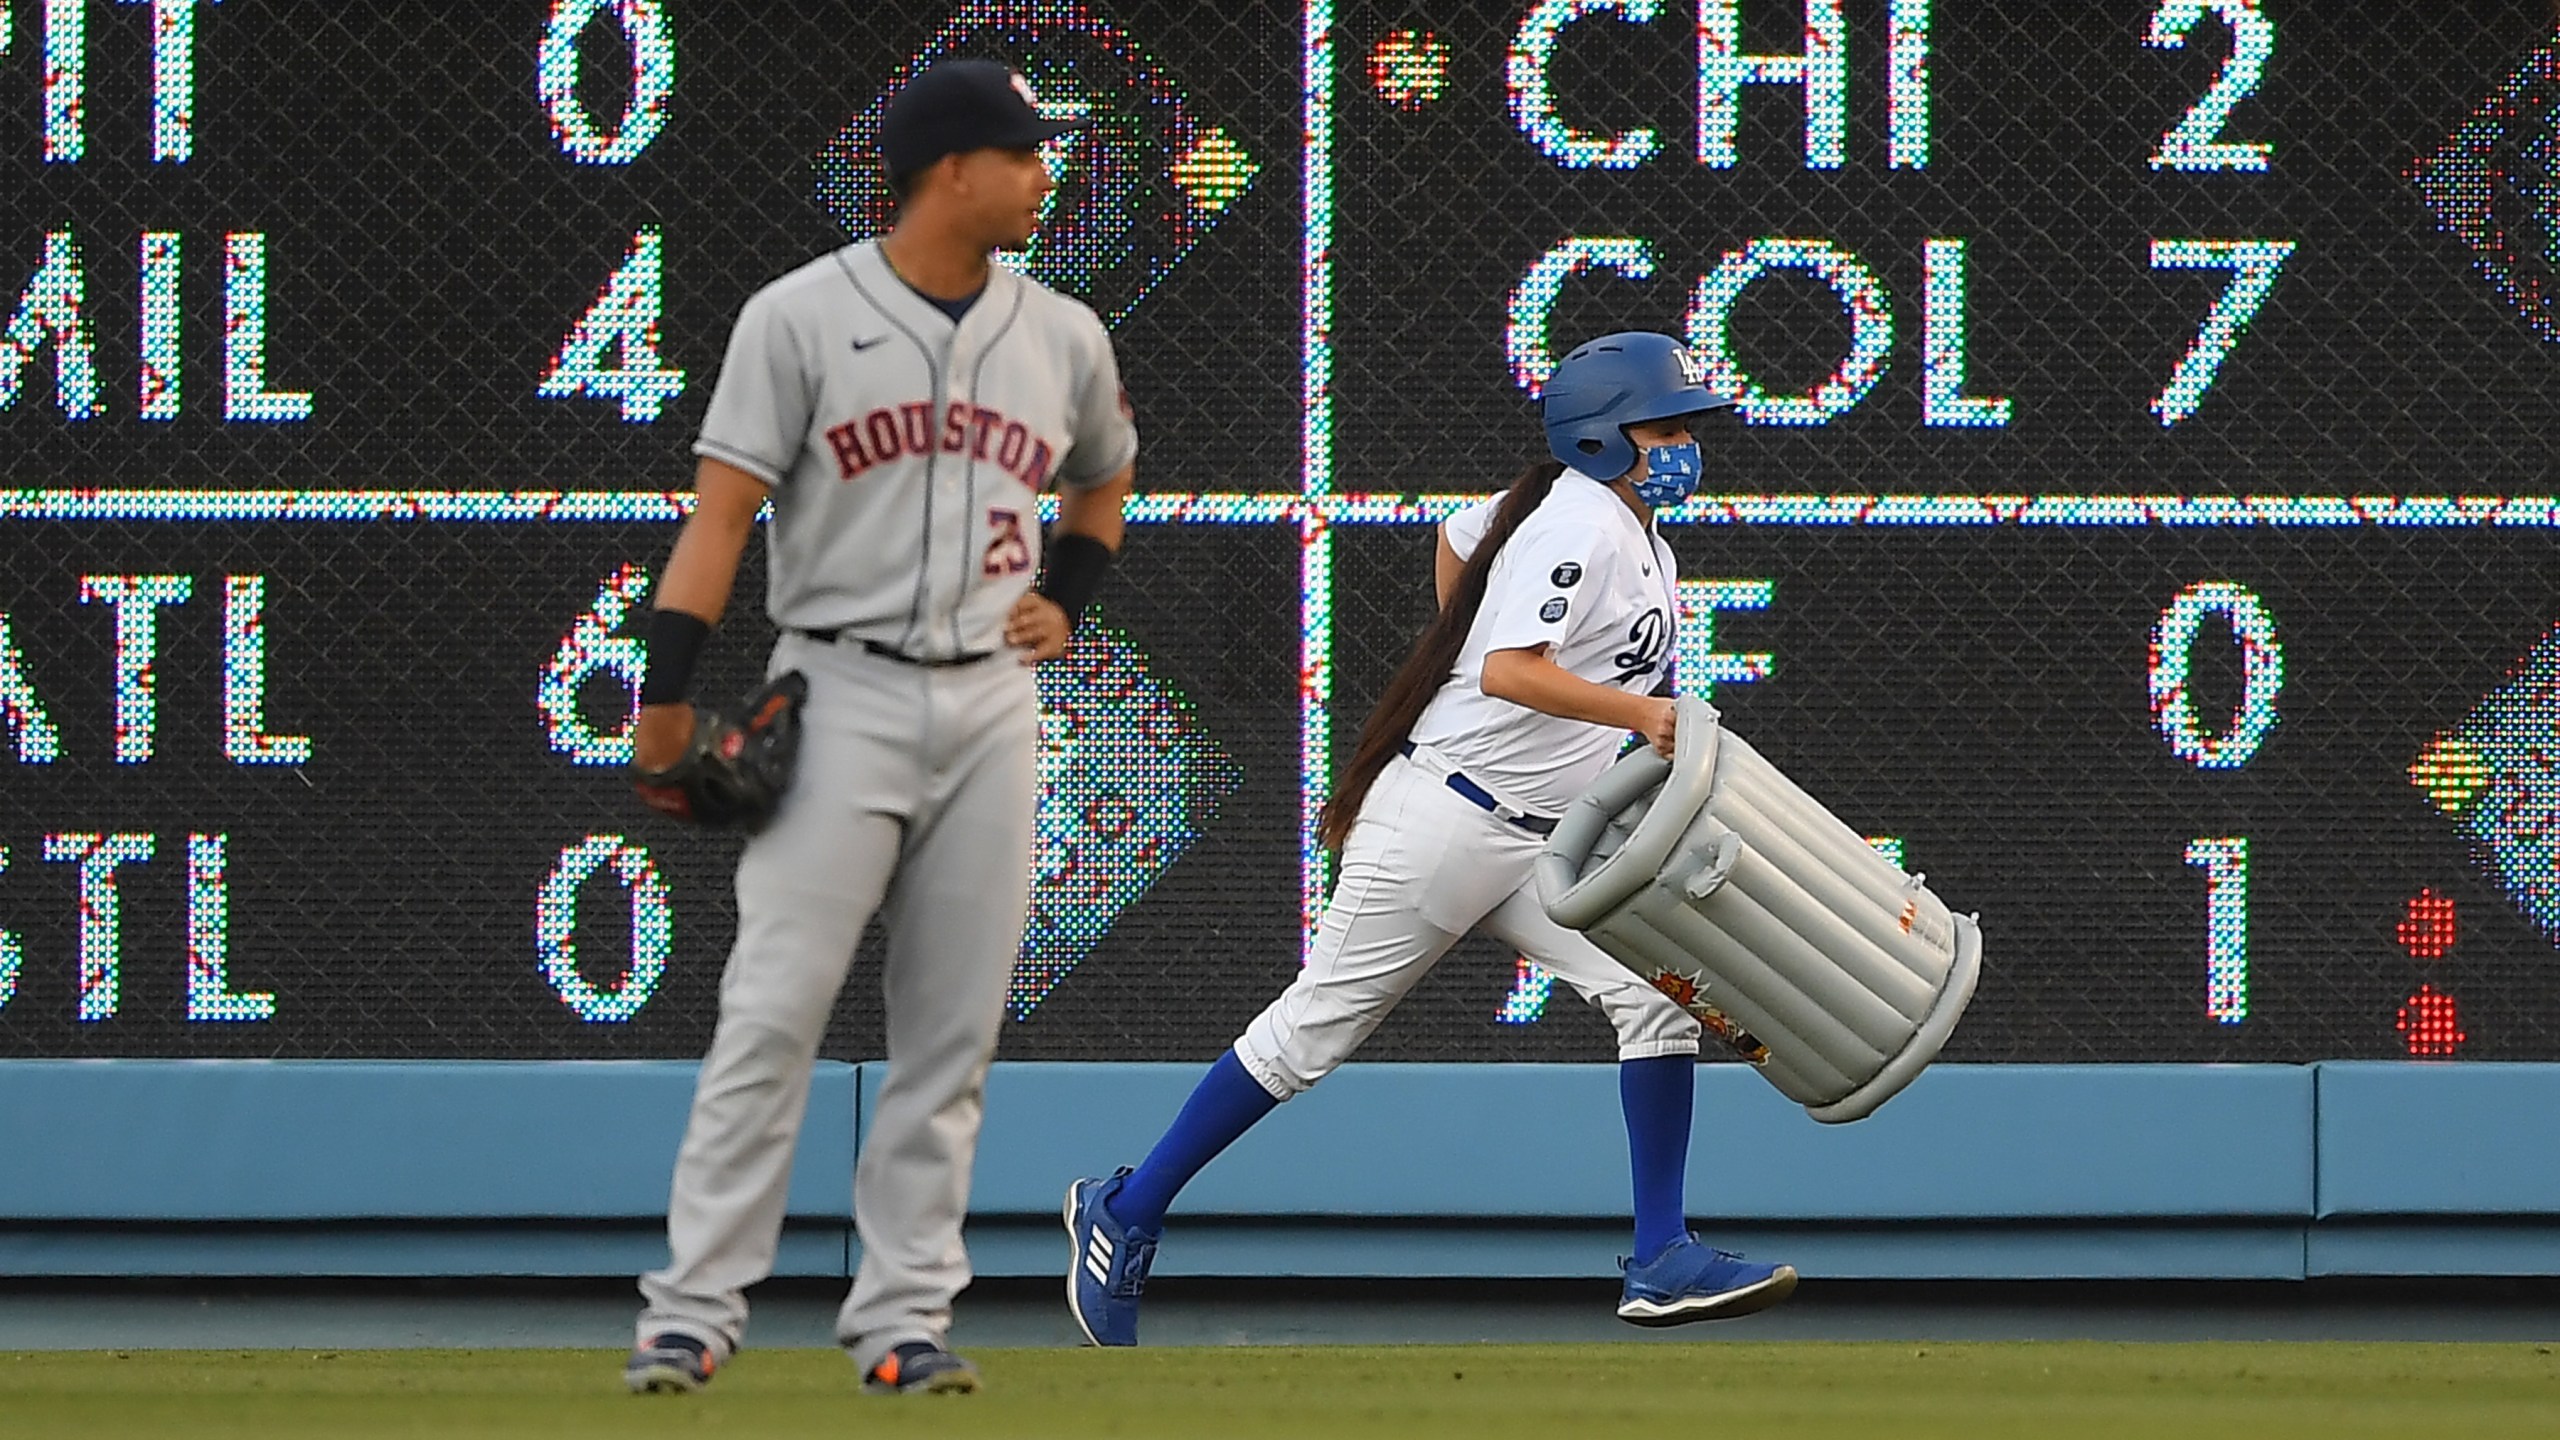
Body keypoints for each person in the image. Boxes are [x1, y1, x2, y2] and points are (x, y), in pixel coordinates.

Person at [1061, 332, 1797, 1347]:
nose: (1684, 445)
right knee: (1310, 1033)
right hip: (1444, 822)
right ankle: (1127, 1207)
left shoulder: (1616, 529)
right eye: (1664, 427)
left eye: (1683, 428)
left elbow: (1459, 538)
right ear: (1600, 437)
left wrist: (1494, 651)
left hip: (1536, 843)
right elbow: (1504, 669)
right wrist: (1629, 715)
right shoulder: (1580, 523)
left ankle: (1661, 1255)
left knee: (1647, 990)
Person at [623, 59, 1137, 1396]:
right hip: (838, 685)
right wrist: (664, 696)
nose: (1045, 175)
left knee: (951, 1033)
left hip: (990, 702)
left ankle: (903, 1321)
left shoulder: (1064, 333)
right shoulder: (796, 318)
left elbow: (1104, 481)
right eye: (1025, 155)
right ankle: (691, 1313)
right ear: (950, 170)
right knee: (772, 1011)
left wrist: (1066, 603)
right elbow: (721, 517)